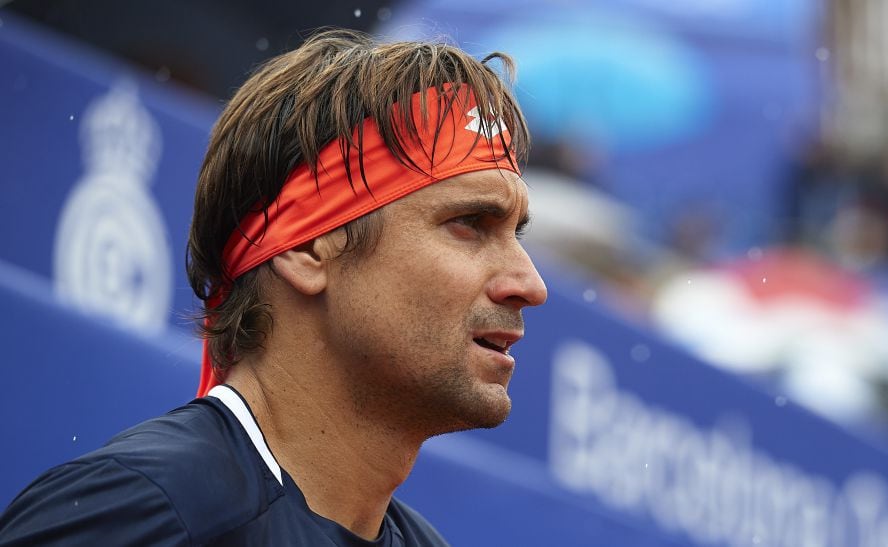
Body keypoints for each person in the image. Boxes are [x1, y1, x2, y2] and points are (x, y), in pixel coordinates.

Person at [0, 28, 547, 546]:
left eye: (514, 232)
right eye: (470, 223)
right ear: (307, 248)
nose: (530, 284)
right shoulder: (145, 509)